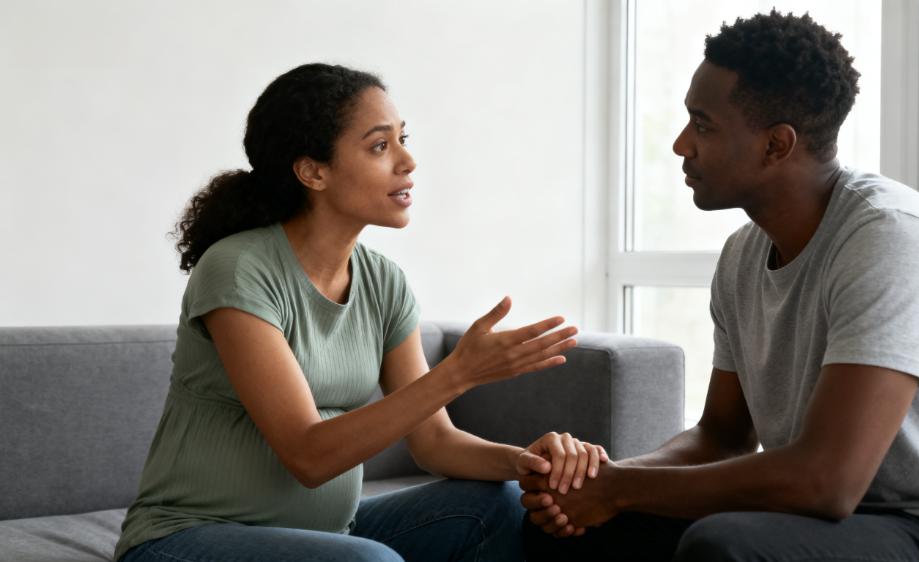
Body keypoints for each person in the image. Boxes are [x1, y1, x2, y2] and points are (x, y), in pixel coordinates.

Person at [521, 10, 919, 562]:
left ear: (777, 145)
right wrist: (598, 481)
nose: (681, 145)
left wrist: (619, 492)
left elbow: (827, 481)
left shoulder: (892, 241)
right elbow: (722, 437)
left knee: (725, 546)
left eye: (703, 126)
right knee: (563, 525)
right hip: (809, 518)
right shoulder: (742, 254)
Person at [114, 63, 608, 562]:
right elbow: (309, 455)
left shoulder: (384, 283)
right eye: (380, 146)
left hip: (331, 536)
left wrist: (526, 462)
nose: (408, 160)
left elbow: (434, 442)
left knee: (495, 503)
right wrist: (459, 373)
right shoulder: (239, 270)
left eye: (402, 138)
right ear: (313, 171)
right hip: (182, 538)